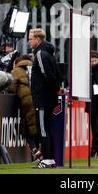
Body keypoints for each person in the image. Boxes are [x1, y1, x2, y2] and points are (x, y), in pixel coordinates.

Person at [28, 28, 64, 169]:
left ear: (38, 39)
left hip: (43, 98)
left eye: (31, 38)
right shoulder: (47, 53)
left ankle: (48, 159)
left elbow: (47, 74)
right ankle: (50, 159)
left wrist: (54, 88)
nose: (29, 41)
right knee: (47, 128)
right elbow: (57, 74)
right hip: (48, 96)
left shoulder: (41, 54)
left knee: (43, 129)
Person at [8, 54, 41, 162]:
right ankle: (37, 151)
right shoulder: (36, 68)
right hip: (38, 99)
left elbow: (12, 88)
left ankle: (36, 151)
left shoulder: (16, 71)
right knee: (35, 127)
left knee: (27, 128)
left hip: (25, 101)